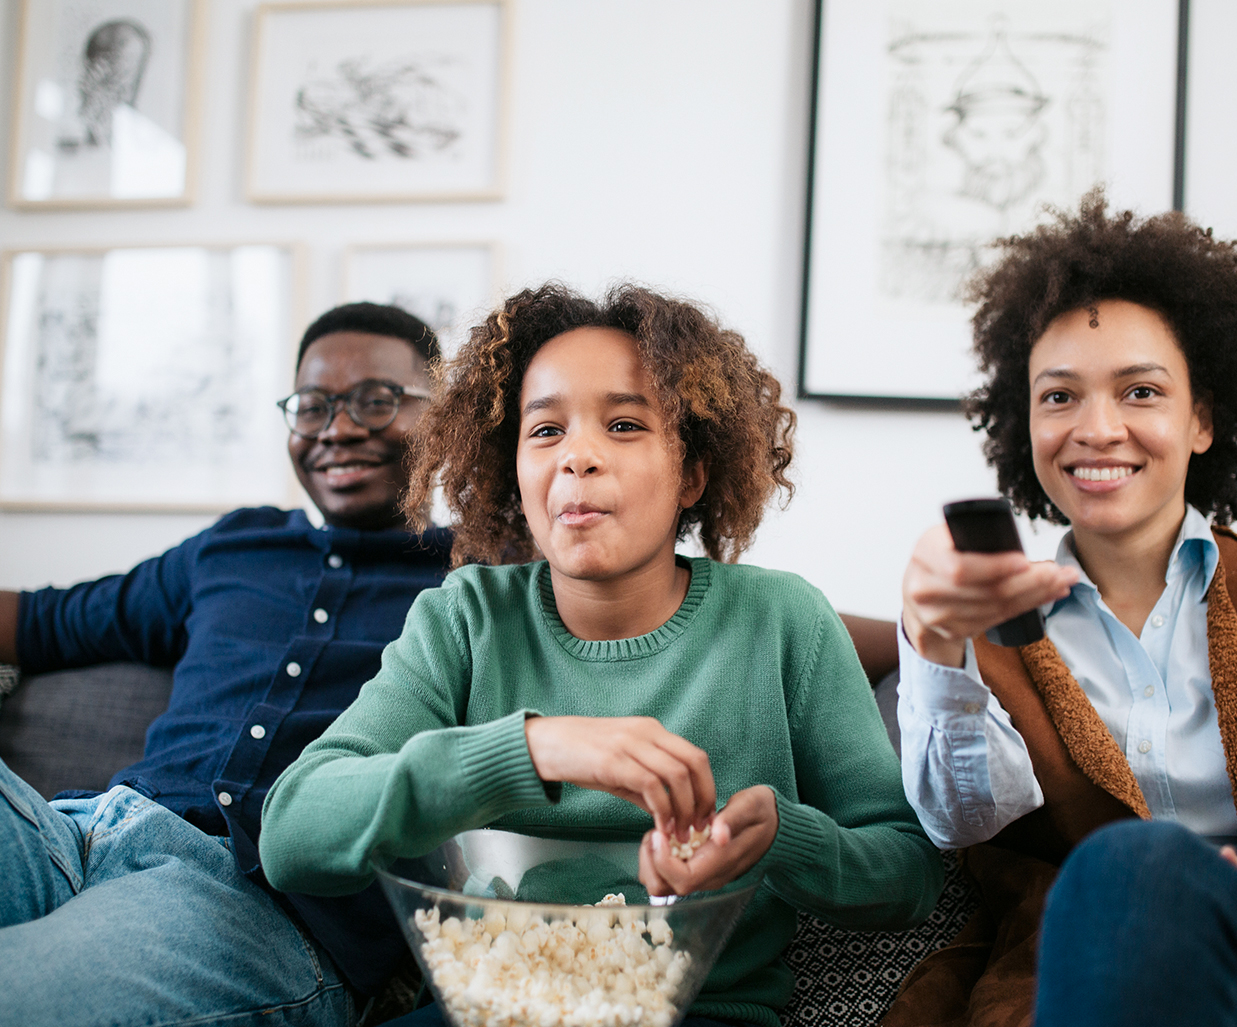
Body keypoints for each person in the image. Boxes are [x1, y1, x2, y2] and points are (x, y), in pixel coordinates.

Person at [259, 283, 944, 1027]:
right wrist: (532, 747)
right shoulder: (462, 619)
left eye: (623, 424)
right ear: (508, 468)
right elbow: (294, 834)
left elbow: (906, 874)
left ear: (692, 472)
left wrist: (782, 837)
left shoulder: (784, 621)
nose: (577, 455)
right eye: (545, 431)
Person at [884, 193, 1237, 1027]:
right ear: (1022, 422)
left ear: (1203, 418)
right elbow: (960, 818)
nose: (1097, 428)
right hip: (1074, 996)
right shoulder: (981, 623)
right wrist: (932, 643)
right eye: (1059, 396)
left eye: (1140, 392)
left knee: (1142, 863)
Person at [0, 302, 453, 1026]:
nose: (338, 428)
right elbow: (44, 620)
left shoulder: (483, 583)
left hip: (256, 908)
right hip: (78, 832)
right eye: (313, 406)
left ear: (443, 416)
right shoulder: (233, 544)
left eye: (376, 400)